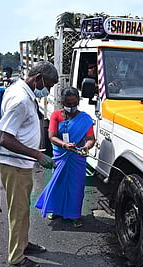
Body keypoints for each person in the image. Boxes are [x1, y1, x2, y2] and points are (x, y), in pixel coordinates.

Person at [0, 61, 58, 267]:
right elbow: (5, 138)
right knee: (18, 211)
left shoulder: (24, 91)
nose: (47, 90)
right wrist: (38, 154)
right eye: (48, 84)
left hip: (22, 163)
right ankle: (16, 257)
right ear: (38, 77)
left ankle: (23, 244)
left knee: (23, 209)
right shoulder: (20, 99)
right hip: (14, 165)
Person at [35, 87, 95, 228]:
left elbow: (91, 138)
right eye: (68, 104)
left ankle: (75, 215)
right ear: (62, 103)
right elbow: (52, 137)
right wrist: (64, 145)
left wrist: (87, 146)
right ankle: (55, 210)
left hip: (77, 157)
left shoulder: (85, 118)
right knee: (58, 183)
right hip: (60, 155)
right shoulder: (56, 115)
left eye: (74, 104)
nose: (72, 107)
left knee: (76, 187)